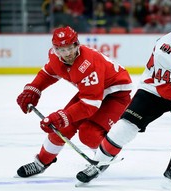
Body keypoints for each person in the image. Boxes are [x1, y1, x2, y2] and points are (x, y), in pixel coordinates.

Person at [76, 7, 171, 189]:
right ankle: (97, 163)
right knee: (126, 127)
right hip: (154, 89)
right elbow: (165, 87)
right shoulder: (165, 47)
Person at [16, 26, 133, 178]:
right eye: (61, 50)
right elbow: (48, 73)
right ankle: (41, 162)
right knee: (62, 127)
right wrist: (33, 89)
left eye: (70, 48)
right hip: (93, 92)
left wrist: (62, 116)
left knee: (88, 133)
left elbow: (90, 105)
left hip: (116, 94)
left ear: (77, 45)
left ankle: (103, 158)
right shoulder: (54, 56)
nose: (67, 54)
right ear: (55, 49)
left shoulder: (88, 64)